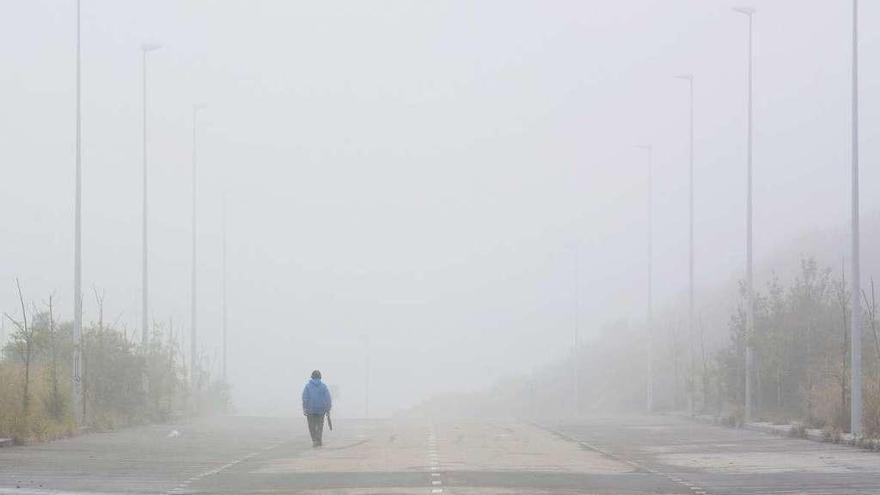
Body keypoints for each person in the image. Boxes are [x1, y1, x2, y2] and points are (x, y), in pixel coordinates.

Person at [302, 369, 332, 447]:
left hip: (310, 410)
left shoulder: (308, 386)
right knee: (319, 426)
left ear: (312, 377)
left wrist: (305, 408)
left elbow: (305, 398)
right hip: (321, 410)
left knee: (311, 426)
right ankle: (319, 440)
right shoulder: (323, 386)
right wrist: (328, 408)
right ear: (320, 377)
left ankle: (314, 440)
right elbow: (328, 398)